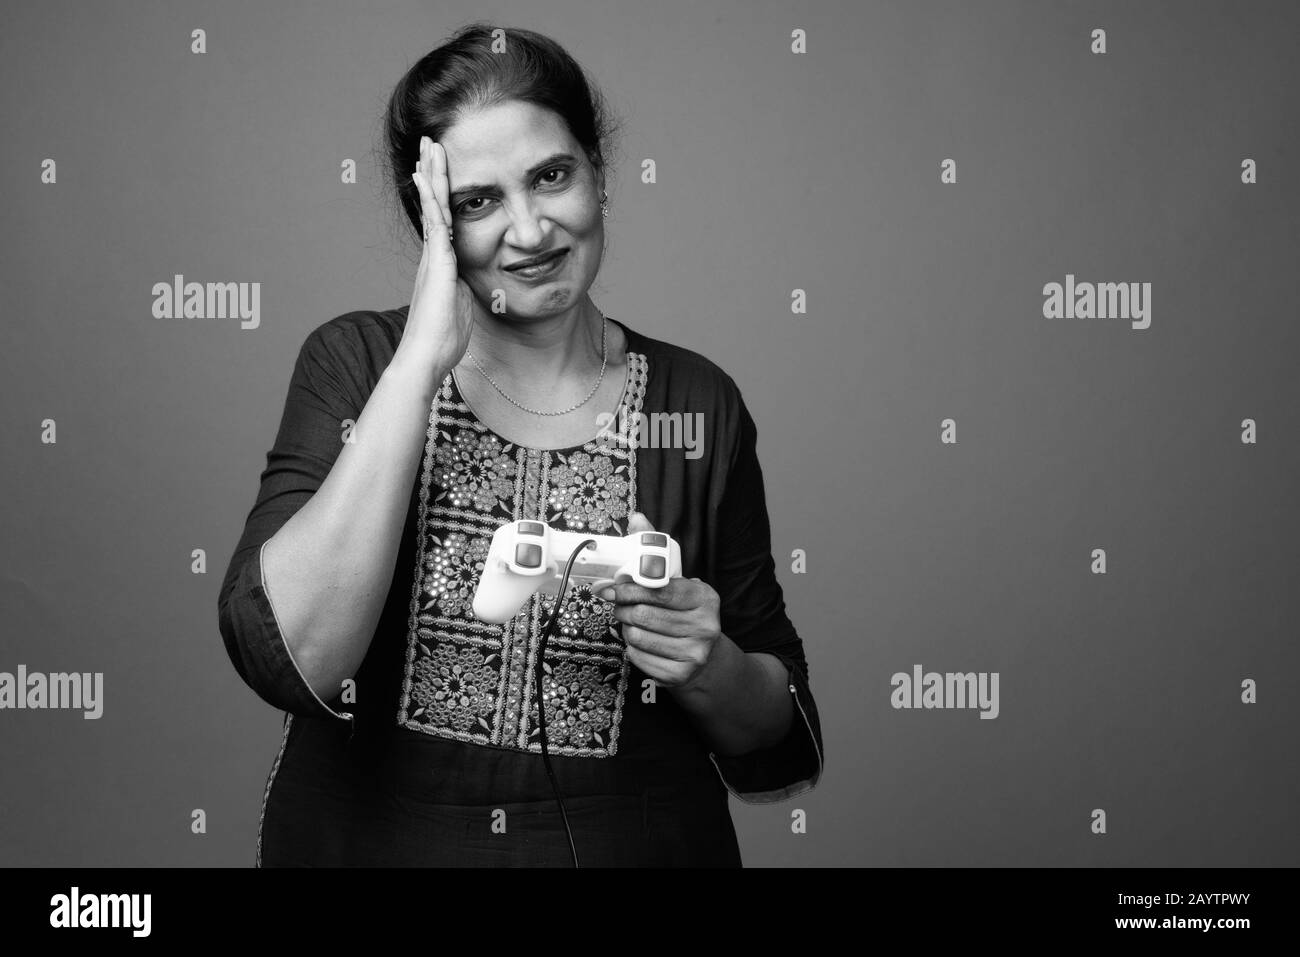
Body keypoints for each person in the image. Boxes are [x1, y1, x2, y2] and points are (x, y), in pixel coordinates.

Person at [217, 22, 823, 868]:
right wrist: (420, 359)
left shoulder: (697, 402)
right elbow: (297, 655)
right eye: (478, 201)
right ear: (431, 222)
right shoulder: (356, 366)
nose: (531, 230)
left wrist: (709, 663)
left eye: (551, 176)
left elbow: (778, 724)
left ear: (598, 176)